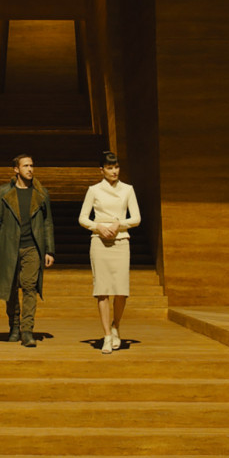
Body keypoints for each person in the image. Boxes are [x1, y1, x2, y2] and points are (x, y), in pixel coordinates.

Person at [0, 154, 55, 347]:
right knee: (10, 288)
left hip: (32, 246)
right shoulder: (4, 192)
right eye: (25, 166)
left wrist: (49, 250)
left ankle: (27, 331)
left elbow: (47, 223)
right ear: (16, 169)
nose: (30, 169)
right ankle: (14, 326)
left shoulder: (41, 193)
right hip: (9, 246)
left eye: (32, 165)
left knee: (29, 287)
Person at [79, 151, 141, 354]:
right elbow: (83, 218)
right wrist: (98, 227)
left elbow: (136, 218)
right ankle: (107, 335)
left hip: (121, 241)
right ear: (102, 170)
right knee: (102, 290)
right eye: (110, 168)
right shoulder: (94, 190)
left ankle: (116, 326)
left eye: (116, 167)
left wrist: (118, 224)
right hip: (99, 242)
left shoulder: (127, 189)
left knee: (121, 291)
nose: (114, 171)